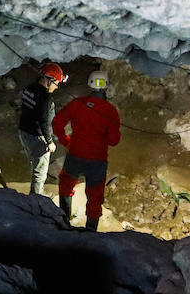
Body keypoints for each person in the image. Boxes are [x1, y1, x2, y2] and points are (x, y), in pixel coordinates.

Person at [51, 70, 121, 230]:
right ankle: (91, 230)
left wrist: (65, 140)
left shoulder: (78, 103)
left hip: (75, 154)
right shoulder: (110, 111)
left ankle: (63, 221)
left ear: (89, 84)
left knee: (66, 184)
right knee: (95, 196)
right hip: (97, 161)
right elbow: (114, 141)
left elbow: (57, 123)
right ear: (106, 86)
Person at [18, 62, 66, 195]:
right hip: (37, 137)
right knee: (40, 172)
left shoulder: (29, 88)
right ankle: (36, 199)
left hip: (24, 132)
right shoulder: (45, 98)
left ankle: (37, 193)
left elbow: (26, 109)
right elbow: (44, 122)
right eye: (56, 83)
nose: (57, 87)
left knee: (35, 164)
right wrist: (50, 142)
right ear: (48, 80)